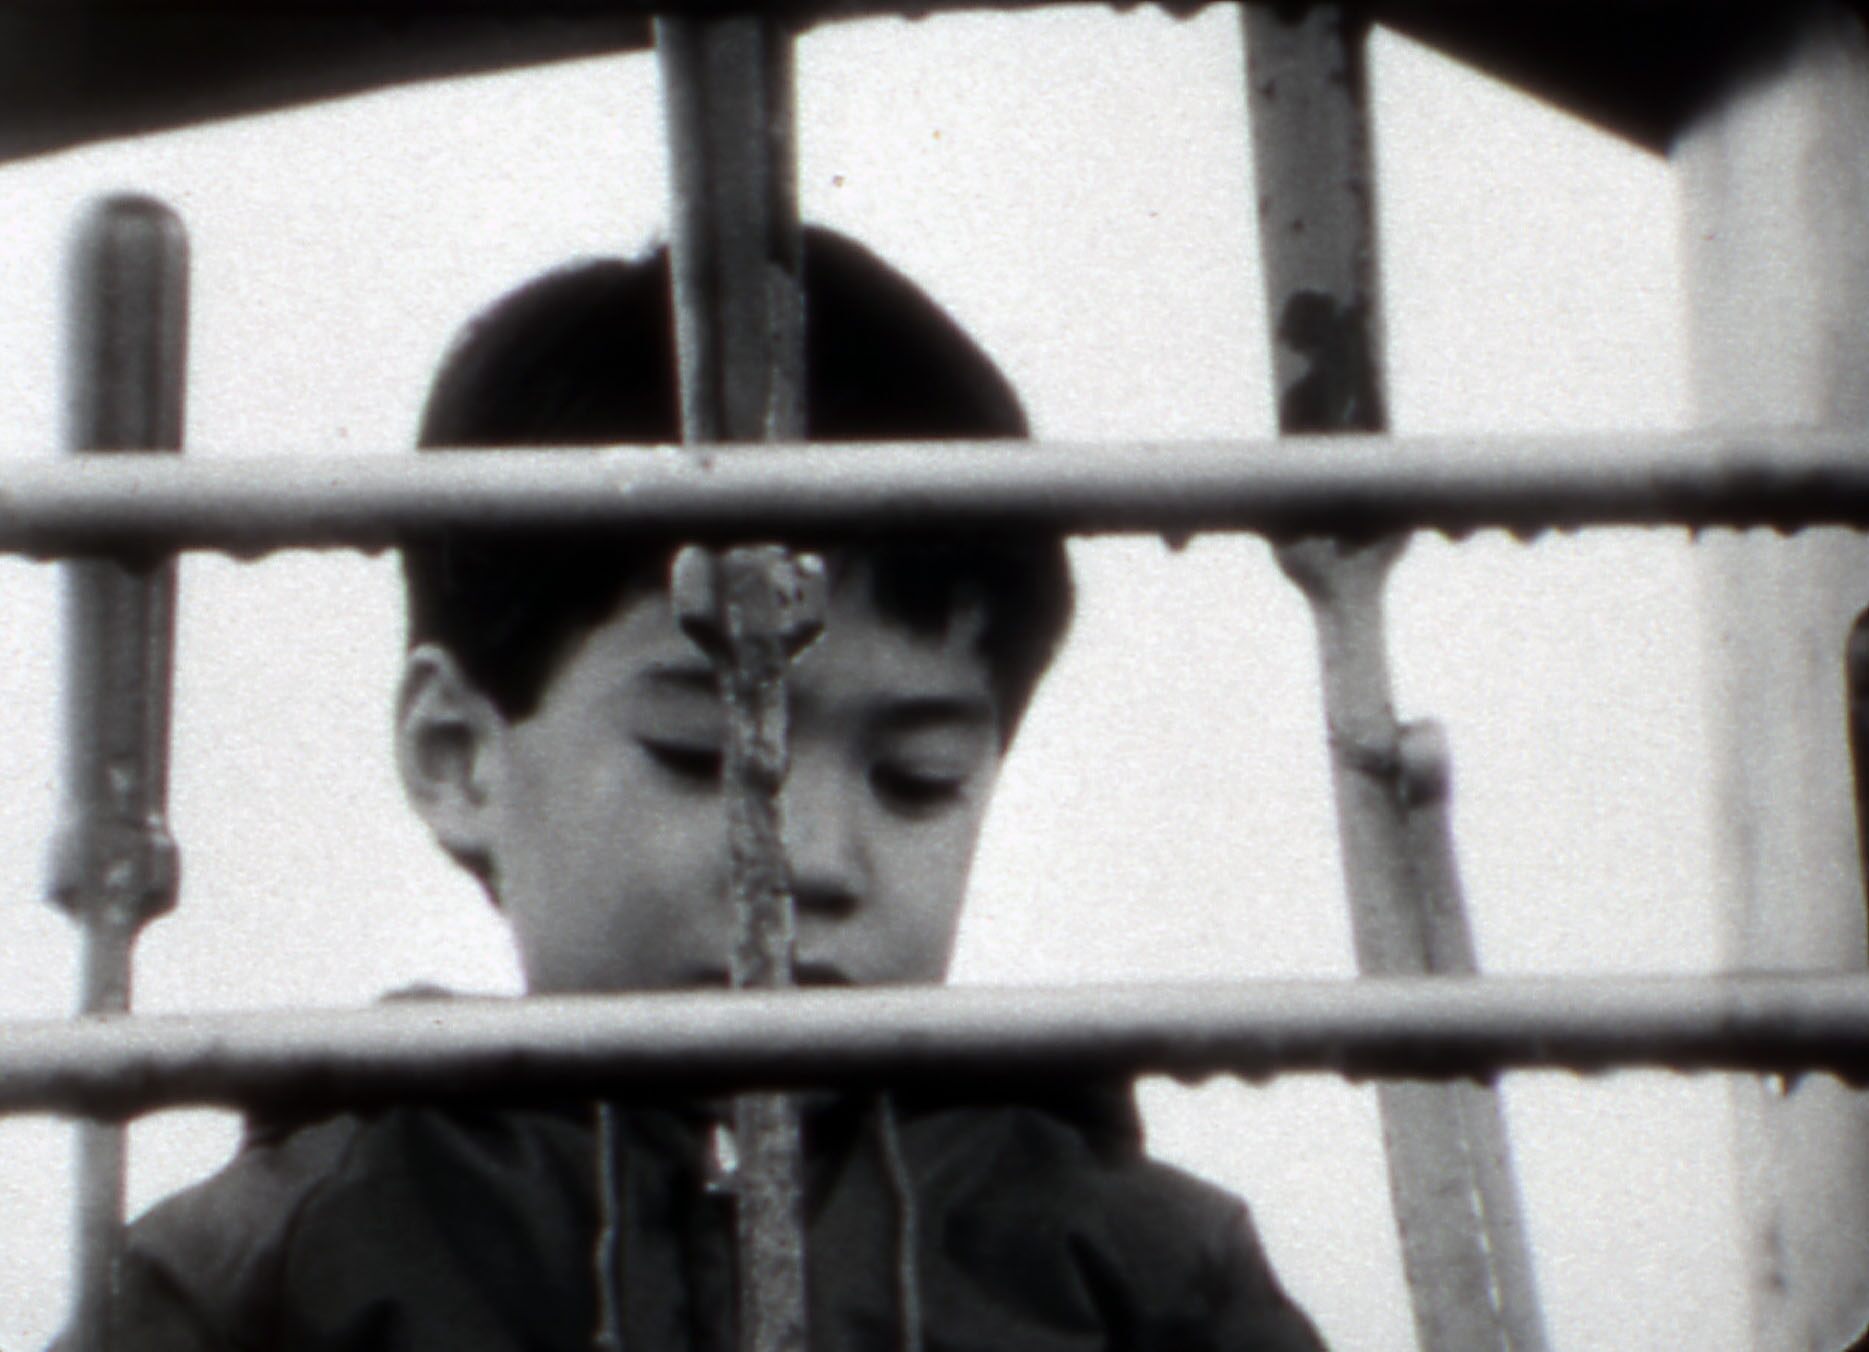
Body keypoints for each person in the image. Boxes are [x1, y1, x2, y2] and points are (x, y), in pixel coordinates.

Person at [90, 229, 1325, 1352]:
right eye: (706, 754)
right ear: (458, 752)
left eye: (917, 780)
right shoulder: (278, 1259)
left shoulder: (1138, 1263)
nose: (812, 857)